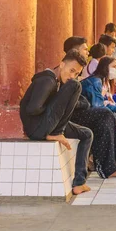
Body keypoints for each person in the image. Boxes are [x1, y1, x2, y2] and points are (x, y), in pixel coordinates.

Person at [20, 49, 93, 195]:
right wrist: (54, 105)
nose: (72, 76)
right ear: (61, 64)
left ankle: (79, 182)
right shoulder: (48, 80)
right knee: (76, 85)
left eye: (77, 73)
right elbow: (33, 109)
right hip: (37, 128)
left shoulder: (58, 81)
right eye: (71, 70)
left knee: (87, 134)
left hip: (47, 124)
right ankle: (57, 132)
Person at [78, 57, 116, 179]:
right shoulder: (95, 81)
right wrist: (113, 109)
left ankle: (107, 166)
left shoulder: (102, 81)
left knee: (108, 117)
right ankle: (107, 167)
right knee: (107, 117)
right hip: (79, 115)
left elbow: (99, 105)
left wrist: (114, 109)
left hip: (87, 113)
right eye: (113, 67)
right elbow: (97, 106)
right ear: (105, 67)